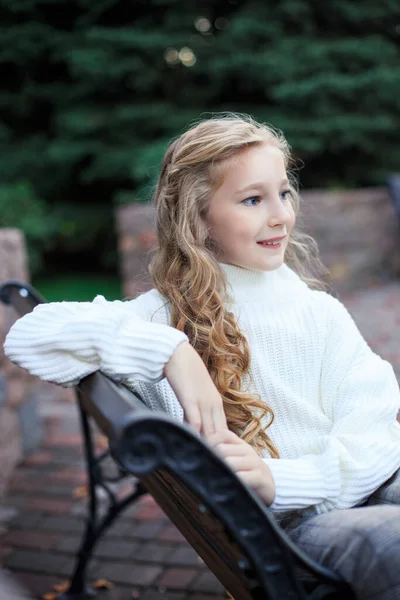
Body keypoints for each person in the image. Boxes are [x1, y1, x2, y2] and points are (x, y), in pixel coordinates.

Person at [4, 114, 400, 599]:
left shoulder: (317, 310)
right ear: (199, 218)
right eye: (253, 199)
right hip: (292, 538)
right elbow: (30, 333)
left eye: (284, 192)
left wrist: (290, 477)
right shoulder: (163, 319)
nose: (280, 215)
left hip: (356, 483)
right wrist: (173, 352)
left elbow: (376, 422)